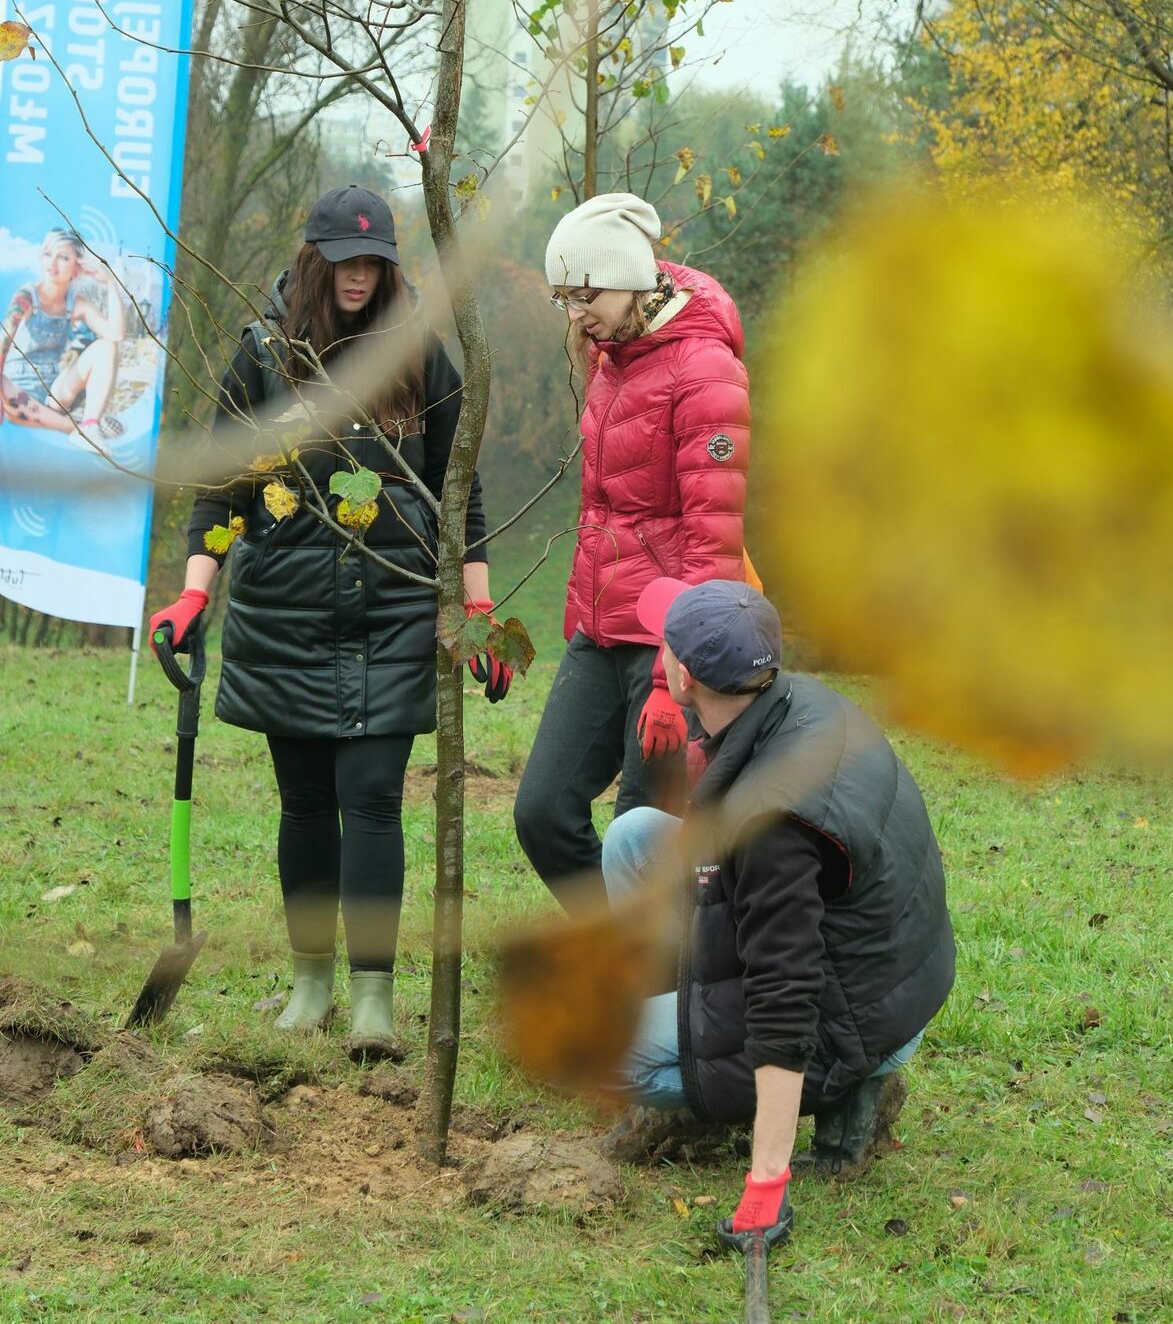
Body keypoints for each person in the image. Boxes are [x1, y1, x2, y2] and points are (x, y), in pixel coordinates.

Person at [147, 186, 512, 1058]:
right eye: (344, 260)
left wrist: (478, 607)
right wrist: (196, 591)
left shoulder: (420, 356)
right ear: (314, 259)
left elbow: (464, 494)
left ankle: (373, 1003)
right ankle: (311, 986)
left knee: (374, 800)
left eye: (374, 261)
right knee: (306, 804)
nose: (359, 275)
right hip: (287, 611)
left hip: (393, 607)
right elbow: (221, 488)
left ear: (390, 264)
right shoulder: (264, 353)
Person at [601, 576, 955, 1249]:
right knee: (633, 840)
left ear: (687, 677)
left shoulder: (771, 824)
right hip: (888, 971)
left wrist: (766, 1188)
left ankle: (841, 1091)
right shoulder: (800, 702)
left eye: (666, 648)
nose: (660, 656)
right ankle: (684, 1027)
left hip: (850, 1022)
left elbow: (784, 998)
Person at [514, 191, 751, 901]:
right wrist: (579, 611)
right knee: (542, 811)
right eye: (564, 299)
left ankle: (660, 997)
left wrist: (670, 680)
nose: (575, 313)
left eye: (584, 294)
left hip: (670, 643)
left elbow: (712, 541)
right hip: (600, 629)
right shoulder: (611, 358)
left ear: (628, 278)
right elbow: (602, 506)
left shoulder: (704, 369)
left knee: (640, 836)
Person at [0, 229, 126, 443]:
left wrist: (111, 283)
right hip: (15, 392)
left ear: (76, 267)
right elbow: (4, 338)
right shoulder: (27, 295)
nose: (53, 262)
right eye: (48, 254)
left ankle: (88, 425)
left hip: (53, 393)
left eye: (63, 257)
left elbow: (115, 334)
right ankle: (81, 430)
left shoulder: (76, 303)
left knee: (106, 347)